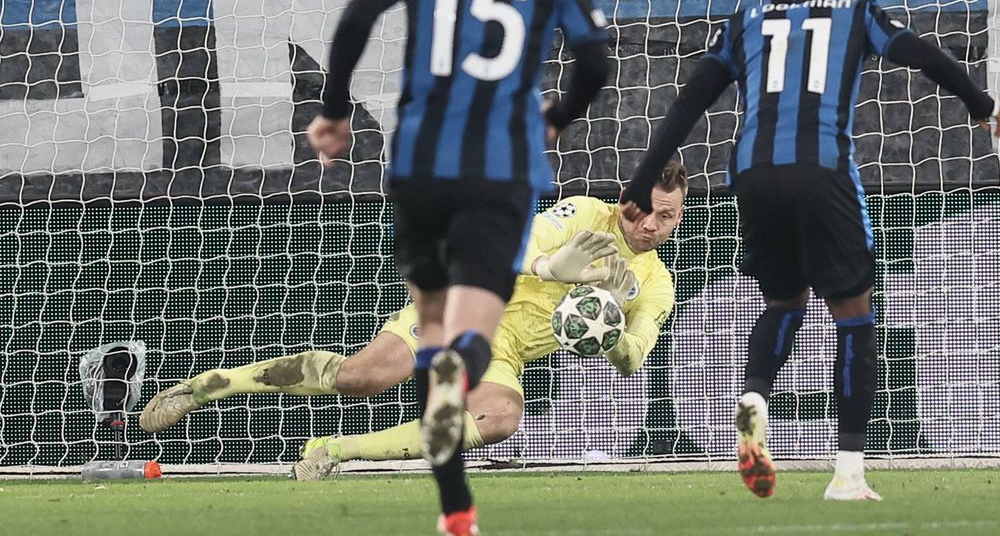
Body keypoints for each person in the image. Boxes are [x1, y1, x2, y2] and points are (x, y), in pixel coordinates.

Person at [620, 0, 1000, 502]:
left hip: (752, 176)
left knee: (784, 301)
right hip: (822, 171)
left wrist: (642, 181)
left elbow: (689, 102)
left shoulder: (746, 22)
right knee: (853, 312)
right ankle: (848, 472)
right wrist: (980, 104)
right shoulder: (855, 13)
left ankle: (754, 396)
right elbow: (927, 56)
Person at [296, 0, 608, 532]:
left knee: (431, 331)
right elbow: (595, 58)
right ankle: (460, 377)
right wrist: (556, 117)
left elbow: (355, 20)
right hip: (500, 170)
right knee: (469, 339)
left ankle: (455, 508)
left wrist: (335, 110)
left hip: (421, 167)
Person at [139, 166, 684, 480]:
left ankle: (333, 452)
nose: (651, 226)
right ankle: (204, 386)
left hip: (505, 352)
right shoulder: (585, 214)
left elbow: (634, 356)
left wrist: (609, 332)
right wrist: (548, 267)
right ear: (625, 201)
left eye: (667, 216)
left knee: (500, 418)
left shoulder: (656, 282)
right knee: (362, 378)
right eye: (644, 211)